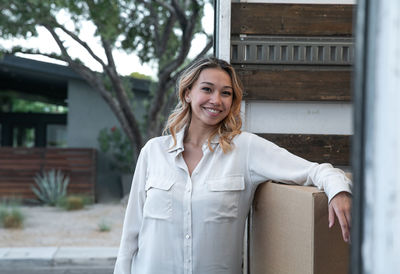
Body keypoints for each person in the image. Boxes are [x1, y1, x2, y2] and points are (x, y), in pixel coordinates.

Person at [113, 57, 352, 274]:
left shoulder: (245, 149)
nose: (216, 100)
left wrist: (338, 190)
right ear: (187, 93)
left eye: (225, 93)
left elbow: (313, 170)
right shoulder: (153, 152)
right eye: (207, 89)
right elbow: (130, 236)